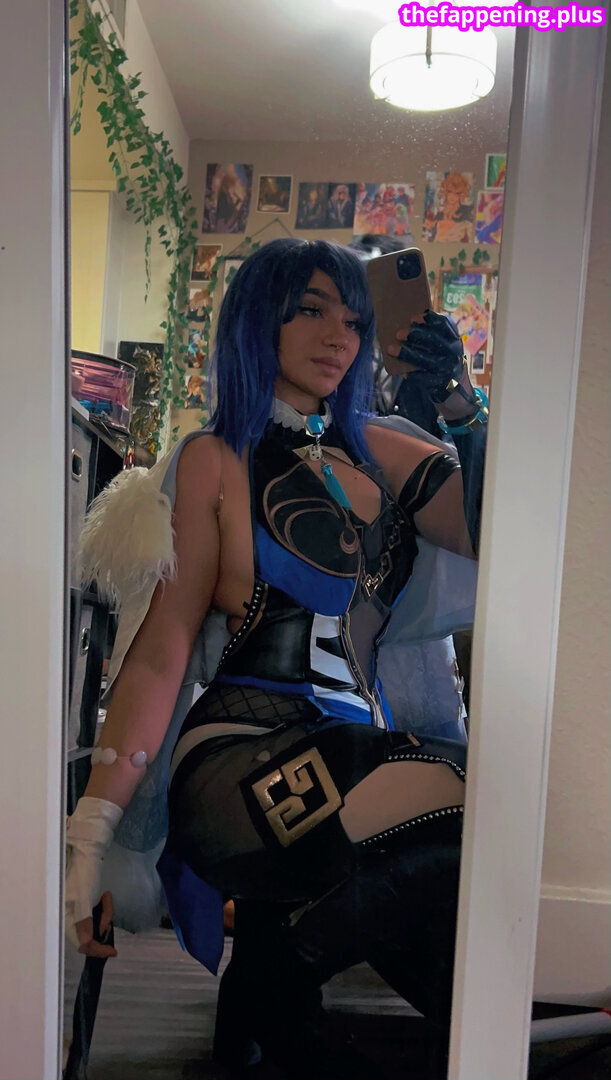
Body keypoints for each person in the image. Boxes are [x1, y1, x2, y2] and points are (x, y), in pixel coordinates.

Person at [66, 239, 487, 1077]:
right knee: (469, 790)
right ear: (259, 320)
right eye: (309, 310)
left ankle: (276, 1003)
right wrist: (93, 827)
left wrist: (459, 405)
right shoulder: (215, 458)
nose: (337, 336)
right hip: (240, 759)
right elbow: (161, 652)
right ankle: (275, 979)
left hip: (353, 750)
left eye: (354, 320)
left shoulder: (385, 450)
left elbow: (501, 533)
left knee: (481, 825)